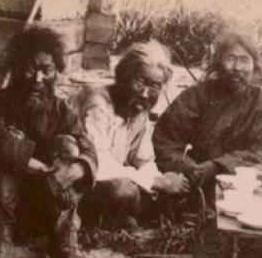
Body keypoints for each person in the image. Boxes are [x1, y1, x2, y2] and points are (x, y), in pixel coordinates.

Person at [0, 27, 97, 258]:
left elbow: (88, 147)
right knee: (9, 152)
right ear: (16, 70)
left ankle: (65, 240)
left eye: (46, 70)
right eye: (29, 69)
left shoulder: (62, 111)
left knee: (69, 145)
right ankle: (2, 241)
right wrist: (32, 163)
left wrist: (78, 168)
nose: (37, 79)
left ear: (55, 72)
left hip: (37, 202)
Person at [70, 41, 190, 231]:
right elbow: (97, 164)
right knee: (124, 190)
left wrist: (164, 182)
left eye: (155, 86)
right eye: (140, 81)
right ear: (123, 76)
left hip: (105, 184)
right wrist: (157, 182)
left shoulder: (138, 109)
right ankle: (106, 227)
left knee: (173, 192)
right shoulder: (97, 101)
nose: (145, 93)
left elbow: (143, 159)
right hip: (77, 186)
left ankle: (127, 221)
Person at [152, 32, 262, 201]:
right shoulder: (197, 95)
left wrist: (217, 166)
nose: (237, 67)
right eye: (230, 59)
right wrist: (187, 167)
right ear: (218, 63)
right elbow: (165, 138)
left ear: (254, 66)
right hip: (196, 174)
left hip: (241, 176)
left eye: (244, 60)